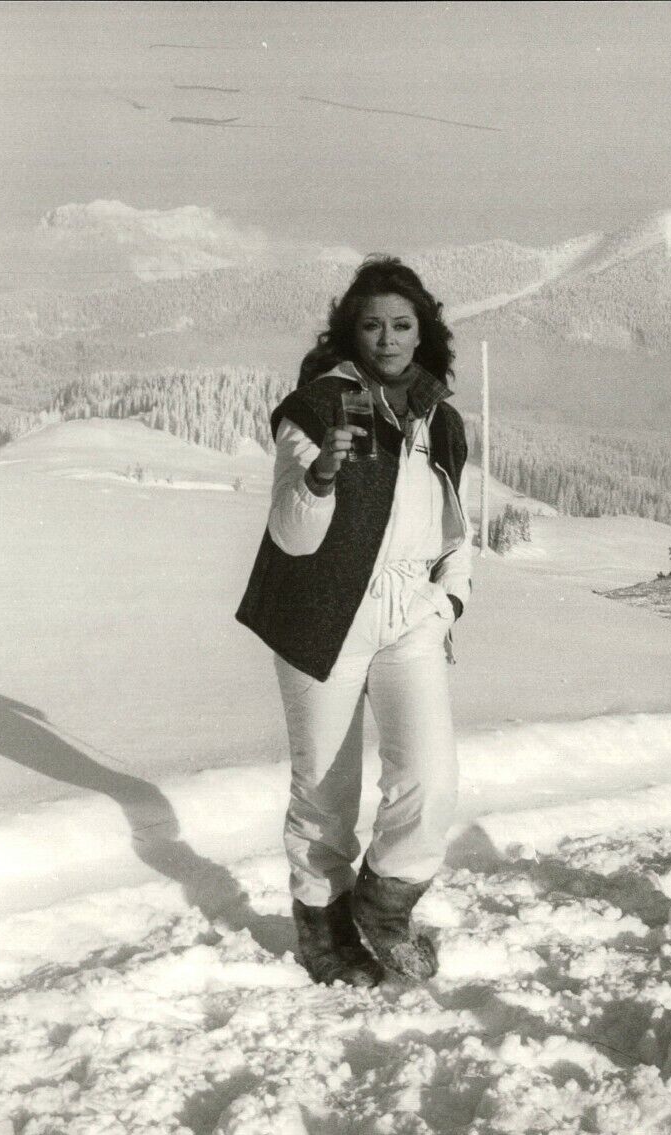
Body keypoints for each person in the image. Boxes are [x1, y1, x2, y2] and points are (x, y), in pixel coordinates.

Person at [236, 256, 472, 988]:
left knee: (430, 780)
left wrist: (451, 599)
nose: (388, 338)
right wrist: (320, 479)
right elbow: (290, 533)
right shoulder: (317, 408)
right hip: (323, 613)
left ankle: (386, 903)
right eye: (372, 325)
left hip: (411, 617)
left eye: (402, 324)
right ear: (351, 331)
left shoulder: (440, 417)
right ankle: (323, 929)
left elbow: (454, 524)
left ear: (422, 331)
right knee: (326, 792)